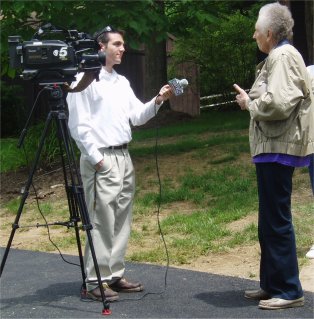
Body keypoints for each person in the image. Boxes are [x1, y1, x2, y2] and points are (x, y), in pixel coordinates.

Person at [66, 26, 173, 302]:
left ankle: (113, 274)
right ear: (101, 47)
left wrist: (158, 99)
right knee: (101, 220)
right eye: (117, 44)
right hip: (101, 157)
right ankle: (94, 281)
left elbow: (136, 116)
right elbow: (78, 126)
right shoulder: (83, 80)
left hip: (124, 157)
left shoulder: (121, 82)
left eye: (123, 44)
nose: (122, 48)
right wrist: (97, 160)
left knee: (121, 219)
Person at [233, 2, 314, 310]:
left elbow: (278, 103)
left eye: (256, 29)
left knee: (276, 219)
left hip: (278, 148)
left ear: (268, 33)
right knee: (269, 219)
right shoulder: (278, 56)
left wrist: (249, 104)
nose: (254, 34)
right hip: (272, 148)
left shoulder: (281, 56)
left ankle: (290, 289)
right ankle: (271, 283)